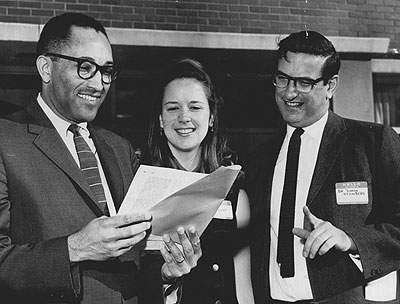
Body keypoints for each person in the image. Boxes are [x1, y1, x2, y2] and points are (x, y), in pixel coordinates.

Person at [0, 13, 201, 303]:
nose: (98, 83)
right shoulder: (6, 139)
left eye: (106, 70)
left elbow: (136, 260)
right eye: (85, 67)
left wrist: (167, 274)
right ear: (46, 68)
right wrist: (74, 248)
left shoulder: (119, 148)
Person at [245, 30, 400, 304]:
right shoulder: (258, 159)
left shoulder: (374, 142)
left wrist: (351, 240)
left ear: (331, 86)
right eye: (282, 79)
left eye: (304, 82)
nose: (290, 93)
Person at [140, 58, 254, 304]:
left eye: (195, 107)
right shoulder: (140, 186)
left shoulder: (233, 191)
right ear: (160, 119)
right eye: (172, 108)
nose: (184, 117)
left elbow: (242, 285)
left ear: (211, 117)